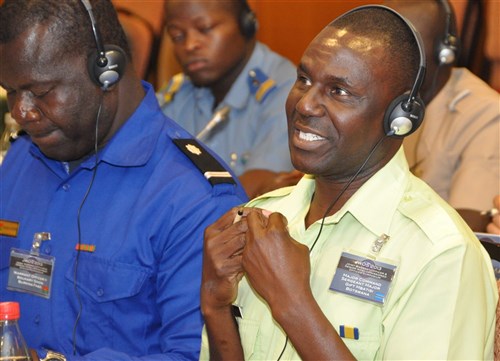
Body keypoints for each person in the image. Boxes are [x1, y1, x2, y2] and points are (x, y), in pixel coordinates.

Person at [199, 5, 498, 360]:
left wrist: (292, 302)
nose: (305, 105)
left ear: (399, 118)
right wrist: (215, 307)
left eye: (338, 91)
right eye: (304, 79)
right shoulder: (260, 217)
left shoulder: (441, 254)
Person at [0, 0, 247, 360]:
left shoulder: (195, 199)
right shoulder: (22, 159)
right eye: (10, 91)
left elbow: (195, 355)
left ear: (108, 70)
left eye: (41, 92)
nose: (21, 112)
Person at [157, 0, 302, 199]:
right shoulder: (177, 93)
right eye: (178, 36)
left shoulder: (288, 92)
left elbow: (260, 189)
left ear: (246, 25)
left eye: (205, 29)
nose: (190, 45)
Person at [384, 0, 500, 231]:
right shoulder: (376, 96)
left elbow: (470, 226)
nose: (390, 57)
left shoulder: (487, 113)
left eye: (406, 45)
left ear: (444, 51)